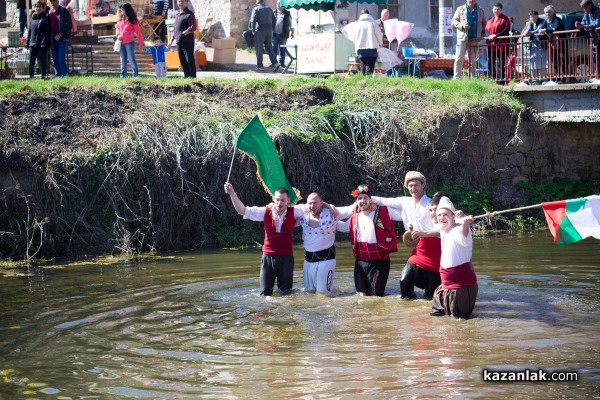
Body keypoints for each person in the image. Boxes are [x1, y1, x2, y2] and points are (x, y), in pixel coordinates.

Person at [224, 182, 305, 296]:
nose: (279, 203)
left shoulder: (296, 211)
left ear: (288, 200)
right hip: (268, 257)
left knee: (286, 294)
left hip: (286, 258)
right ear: (273, 199)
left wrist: (328, 207)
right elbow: (241, 210)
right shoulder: (265, 211)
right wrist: (232, 193)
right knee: (265, 294)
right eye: (277, 200)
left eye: (282, 200)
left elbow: (314, 207)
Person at [370, 171, 440, 300]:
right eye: (410, 186)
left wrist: (458, 214)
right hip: (418, 250)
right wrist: (366, 199)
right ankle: (408, 311)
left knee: (431, 295)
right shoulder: (405, 202)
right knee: (404, 282)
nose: (413, 189)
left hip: (435, 249)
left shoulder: (431, 204)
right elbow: (383, 201)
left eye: (416, 185)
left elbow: (442, 227)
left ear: (423, 185)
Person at [336, 184, 402, 297]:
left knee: (377, 296)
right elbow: (341, 227)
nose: (362, 201)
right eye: (359, 198)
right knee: (361, 295)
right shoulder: (354, 217)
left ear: (371, 200)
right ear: (356, 202)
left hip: (380, 262)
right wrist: (324, 220)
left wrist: (378, 202)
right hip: (360, 262)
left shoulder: (384, 212)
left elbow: (402, 214)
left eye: (365, 198)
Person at [430, 197, 478, 320]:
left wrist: (465, 224)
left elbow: (462, 233)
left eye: (445, 215)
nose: (441, 217)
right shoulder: (443, 229)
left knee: (458, 324)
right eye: (439, 215)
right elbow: (437, 224)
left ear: (452, 217)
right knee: (437, 316)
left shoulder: (458, 231)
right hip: (445, 285)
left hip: (461, 287)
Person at [299, 193, 337, 296]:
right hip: (308, 261)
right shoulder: (303, 216)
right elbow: (286, 211)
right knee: (309, 292)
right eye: (310, 203)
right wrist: (272, 206)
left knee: (323, 293)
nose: (312, 206)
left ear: (321, 202)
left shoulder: (328, 214)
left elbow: (342, 212)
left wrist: (327, 205)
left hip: (326, 260)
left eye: (315, 202)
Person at [452, 0, 486, 79]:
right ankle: (456, 79)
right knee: (459, 59)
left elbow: (484, 23)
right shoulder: (460, 9)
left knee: (473, 61)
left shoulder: (480, 10)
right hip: (463, 38)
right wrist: (462, 25)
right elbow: (453, 21)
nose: (471, 0)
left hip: (475, 39)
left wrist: (482, 34)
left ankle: (472, 79)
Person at [343, 9, 383, 75]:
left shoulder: (357, 24)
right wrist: (380, 43)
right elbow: (379, 34)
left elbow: (352, 34)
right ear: (369, 14)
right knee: (370, 67)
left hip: (360, 48)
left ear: (361, 15)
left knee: (363, 67)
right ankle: (368, 81)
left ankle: (363, 80)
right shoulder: (373, 23)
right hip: (372, 48)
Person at [538, 5, 566, 83]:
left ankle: (563, 78)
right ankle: (557, 77)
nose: (547, 13)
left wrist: (545, 30)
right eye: (546, 12)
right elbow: (540, 28)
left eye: (549, 11)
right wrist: (542, 30)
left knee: (563, 60)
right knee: (555, 61)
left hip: (562, 43)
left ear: (553, 12)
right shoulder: (546, 20)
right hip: (553, 44)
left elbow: (556, 28)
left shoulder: (557, 19)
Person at [115, 3, 144, 78]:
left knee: (132, 60)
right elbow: (117, 29)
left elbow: (138, 33)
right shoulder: (120, 19)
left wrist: (141, 44)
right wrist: (118, 35)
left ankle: (135, 76)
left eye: (123, 10)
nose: (122, 11)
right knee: (123, 61)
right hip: (121, 42)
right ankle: (123, 77)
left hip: (129, 43)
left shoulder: (133, 20)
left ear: (127, 10)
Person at [485, 3, 511, 83]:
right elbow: (486, 29)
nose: (496, 10)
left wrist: (496, 35)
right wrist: (489, 36)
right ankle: (495, 78)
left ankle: (503, 80)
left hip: (502, 44)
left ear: (501, 10)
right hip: (491, 45)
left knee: (502, 63)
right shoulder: (490, 19)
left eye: (498, 9)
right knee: (490, 63)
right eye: (494, 9)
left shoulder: (505, 18)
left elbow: (507, 29)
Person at [575, 0, 600, 81]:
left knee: (597, 56)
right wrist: (579, 25)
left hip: (598, 37)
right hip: (594, 38)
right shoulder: (586, 13)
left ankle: (598, 75)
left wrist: (584, 26)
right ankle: (597, 75)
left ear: (590, 5)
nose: (585, 9)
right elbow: (583, 22)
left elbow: (597, 23)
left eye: (586, 7)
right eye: (583, 8)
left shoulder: (597, 11)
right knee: (594, 57)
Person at [250, 0, 278, 72]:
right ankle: (275, 63)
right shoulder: (269, 9)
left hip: (260, 30)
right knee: (269, 47)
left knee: (259, 48)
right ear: (263, 2)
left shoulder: (256, 9)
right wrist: (272, 29)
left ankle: (260, 66)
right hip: (269, 30)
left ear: (257, 3)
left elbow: (253, 20)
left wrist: (253, 30)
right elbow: (274, 19)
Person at [26, 1, 51, 79]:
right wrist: (27, 42)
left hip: (42, 44)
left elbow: (48, 32)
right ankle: (31, 77)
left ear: (43, 8)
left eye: (39, 7)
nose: (38, 8)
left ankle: (43, 76)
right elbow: (29, 31)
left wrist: (44, 42)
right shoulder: (32, 19)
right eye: (36, 7)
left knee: (42, 61)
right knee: (31, 62)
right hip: (32, 43)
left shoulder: (46, 18)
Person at [48, 0, 72, 78]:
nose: (53, 3)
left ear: (58, 1)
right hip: (53, 40)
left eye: (54, 1)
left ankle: (64, 75)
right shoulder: (50, 13)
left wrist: (60, 34)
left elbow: (68, 25)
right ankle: (58, 75)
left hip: (62, 39)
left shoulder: (64, 11)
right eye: (51, 1)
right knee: (55, 59)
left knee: (61, 59)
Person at [525, 10, 548, 85]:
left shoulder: (543, 21)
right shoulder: (530, 23)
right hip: (533, 44)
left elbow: (539, 29)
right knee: (533, 61)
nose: (532, 18)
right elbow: (527, 30)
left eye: (533, 16)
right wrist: (526, 32)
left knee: (542, 61)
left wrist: (530, 33)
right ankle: (535, 80)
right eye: (531, 17)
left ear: (537, 16)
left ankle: (544, 78)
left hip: (542, 44)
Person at [272, 3, 293, 70]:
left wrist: (292, 32)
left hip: (283, 34)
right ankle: (274, 63)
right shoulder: (273, 12)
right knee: (273, 48)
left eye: (279, 4)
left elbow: (290, 23)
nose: (277, 5)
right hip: (274, 34)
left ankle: (282, 63)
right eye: (277, 4)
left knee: (282, 49)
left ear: (283, 5)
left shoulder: (287, 14)